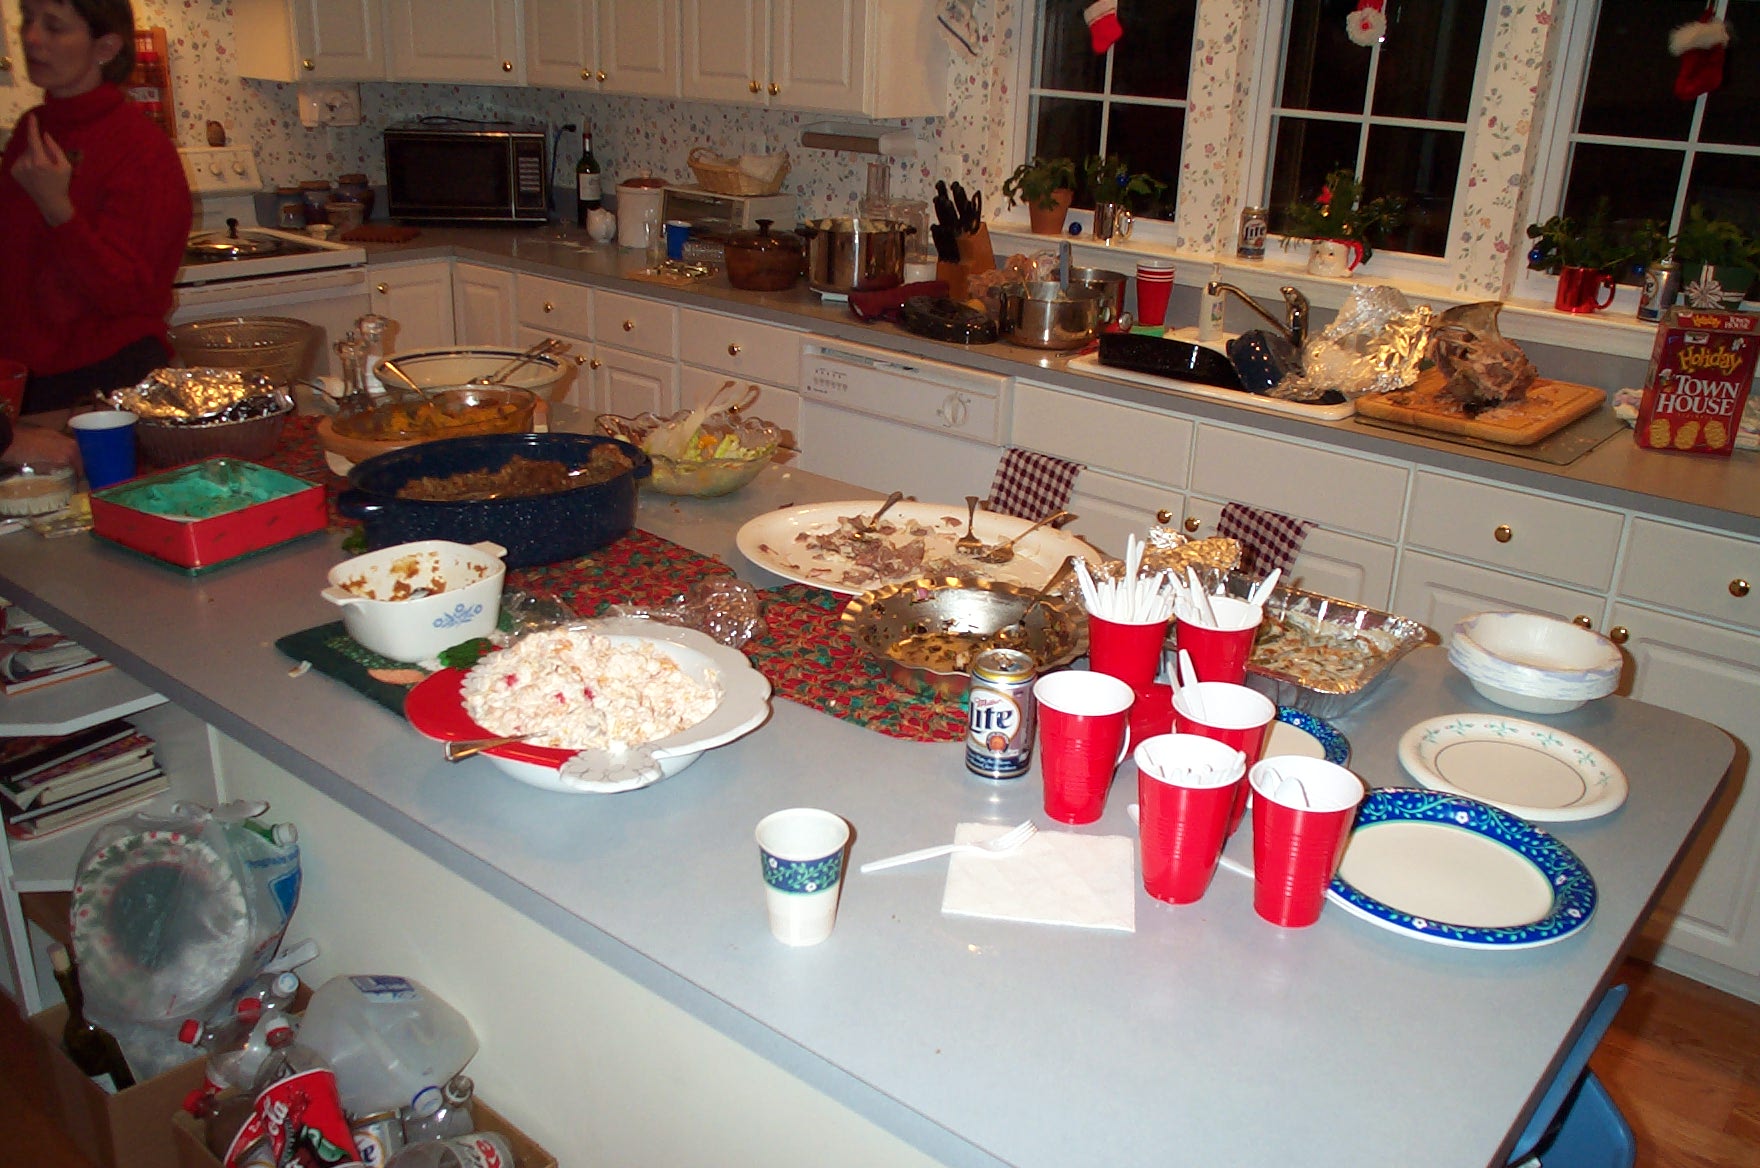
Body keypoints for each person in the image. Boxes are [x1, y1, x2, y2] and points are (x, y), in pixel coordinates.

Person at [0, 0, 191, 435]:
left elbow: (131, 295)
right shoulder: (33, 127)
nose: (31, 38)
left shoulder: (141, 148)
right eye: (28, 20)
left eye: (54, 27)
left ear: (105, 47)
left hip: (103, 385)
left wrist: (57, 208)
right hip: (25, 378)